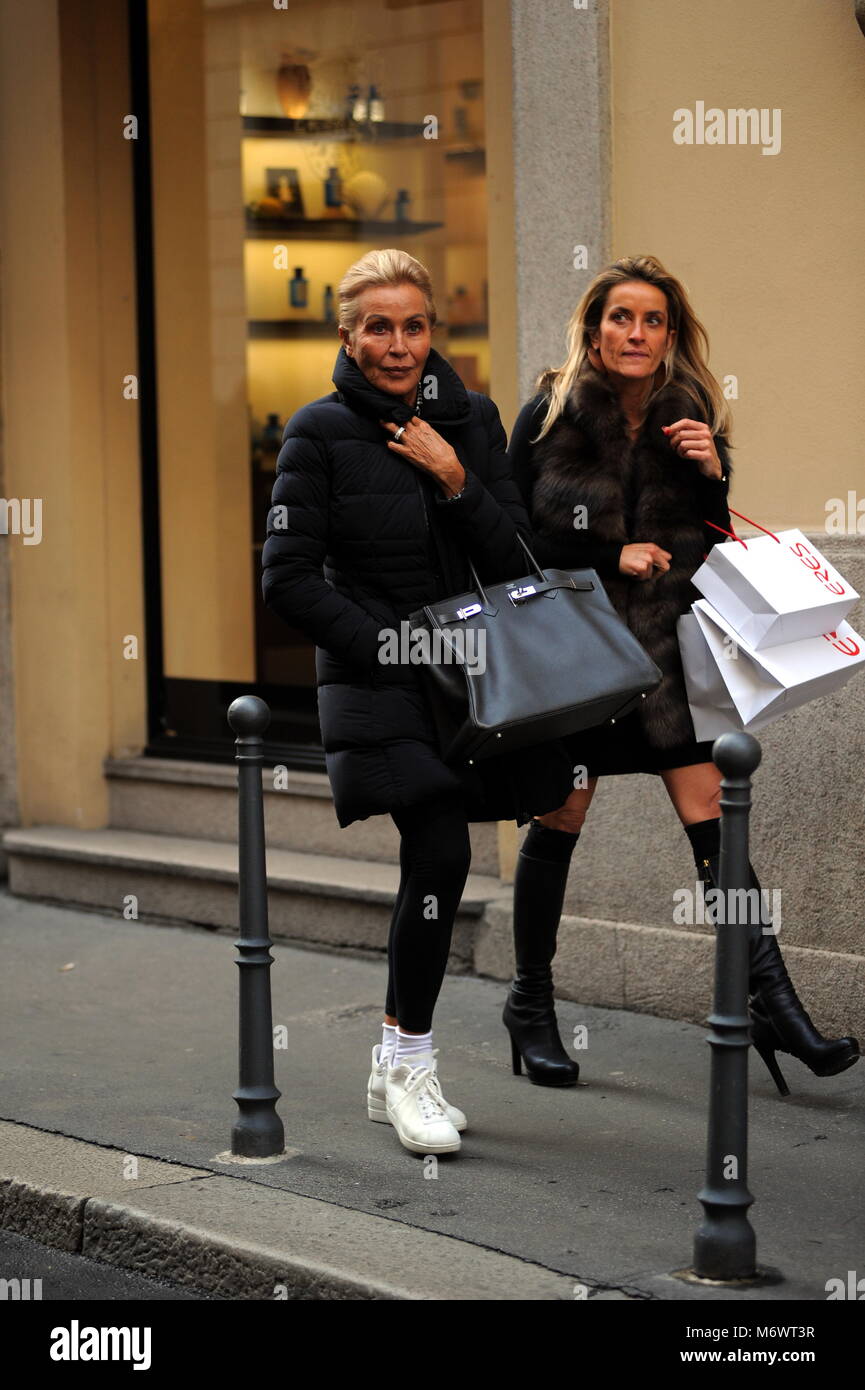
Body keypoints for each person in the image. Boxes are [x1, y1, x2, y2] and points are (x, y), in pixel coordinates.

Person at [504, 253, 859, 1094]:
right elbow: (511, 540)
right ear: (594, 327)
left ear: (670, 336)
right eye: (620, 317)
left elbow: (708, 546)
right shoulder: (546, 413)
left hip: (665, 657)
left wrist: (712, 472)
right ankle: (531, 1007)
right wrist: (605, 552)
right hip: (581, 657)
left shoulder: (690, 416)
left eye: (652, 320)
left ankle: (772, 1003)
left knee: (712, 812)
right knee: (561, 814)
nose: (635, 333)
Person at [261, 249, 573, 1155]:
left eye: (413, 325)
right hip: (381, 678)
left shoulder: (470, 419)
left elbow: (519, 561)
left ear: (432, 329)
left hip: (473, 678)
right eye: (377, 327)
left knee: (446, 859)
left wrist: (454, 478)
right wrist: (388, 649)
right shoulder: (315, 432)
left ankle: (393, 1056)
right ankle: (408, 1063)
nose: (397, 345)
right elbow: (286, 580)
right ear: (348, 335)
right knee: (436, 850)